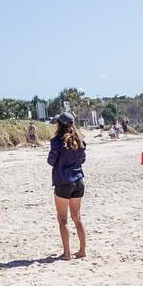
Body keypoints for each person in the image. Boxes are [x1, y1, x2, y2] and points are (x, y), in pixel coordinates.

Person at [47, 111, 87, 261]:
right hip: (79, 180)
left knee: (62, 219)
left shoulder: (56, 141)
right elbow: (82, 159)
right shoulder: (80, 140)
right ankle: (82, 250)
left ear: (59, 125)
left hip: (63, 181)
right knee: (77, 218)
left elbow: (51, 161)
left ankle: (67, 253)